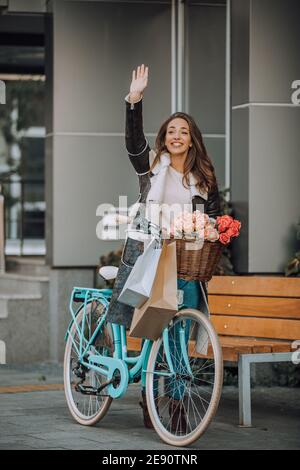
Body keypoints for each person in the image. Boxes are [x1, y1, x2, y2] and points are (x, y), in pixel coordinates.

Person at [106, 64, 221, 431]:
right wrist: (134, 99)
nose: (176, 136)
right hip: (146, 253)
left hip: (184, 259)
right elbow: (133, 143)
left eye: (183, 131)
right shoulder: (152, 167)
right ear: (165, 138)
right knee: (148, 321)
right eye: (171, 130)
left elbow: (213, 217)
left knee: (179, 330)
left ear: (192, 140)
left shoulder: (202, 179)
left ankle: (172, 400)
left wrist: (214, 229)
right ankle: (147, 394)